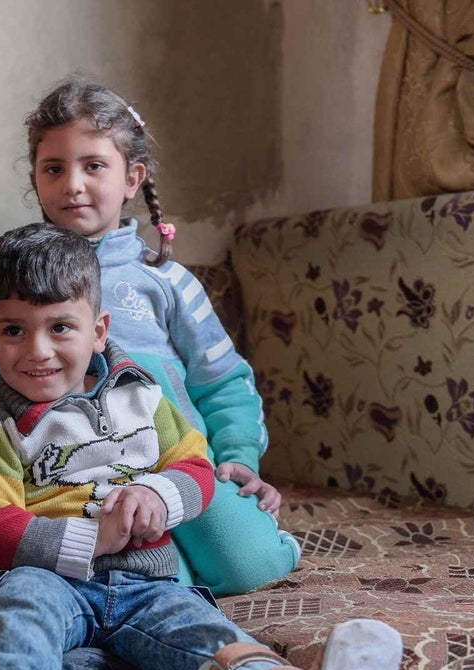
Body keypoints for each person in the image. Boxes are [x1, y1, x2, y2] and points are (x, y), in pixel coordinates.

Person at [0, 223, 402, 670]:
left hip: (147, 580)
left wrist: (159, 495)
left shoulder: (141, 395)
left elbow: (193, 465)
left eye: (60, 327)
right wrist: (91, 540)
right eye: (13, 331)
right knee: (14, 623)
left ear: (99, 330)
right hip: (47, 578)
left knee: (207, 634)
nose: (38, 351)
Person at [22, 79, 301, 595]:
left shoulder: (166, 281)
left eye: (94, 166)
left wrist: (237, 453)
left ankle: (226, 550)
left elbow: (223, 381)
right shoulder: (19, 282)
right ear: (36, 180)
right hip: (77, 478)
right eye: (54, 168)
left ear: (133, 178)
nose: (73, 184)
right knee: (145, 575)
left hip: (180, 465)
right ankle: (161, 574)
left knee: (251, 564)